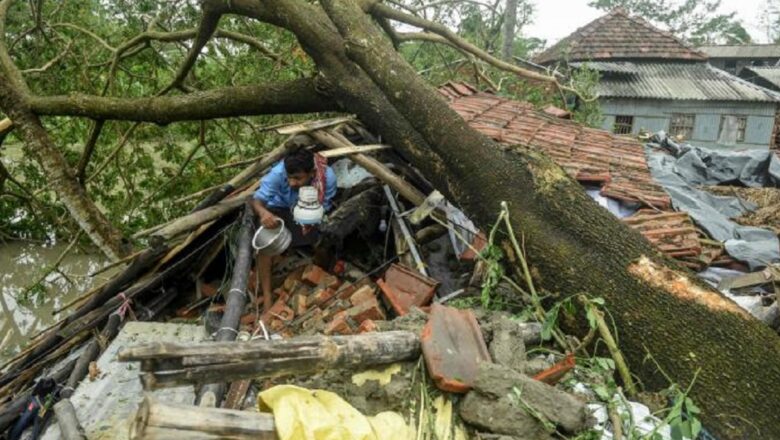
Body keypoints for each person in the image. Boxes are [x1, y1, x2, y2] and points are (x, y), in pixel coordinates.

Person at [250, 148, 337, 312]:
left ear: (312, 173)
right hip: (278, 207)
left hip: (308, 209)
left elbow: (323, 207)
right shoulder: (277, 173)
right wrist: (264, 213)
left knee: (323, 238)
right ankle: (267, 296)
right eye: (289, 178)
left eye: (297, 178)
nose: (291, 183)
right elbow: (257, 201)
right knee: (264, 246)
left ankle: (321, 280)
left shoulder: (327, 178)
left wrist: (308, 220)